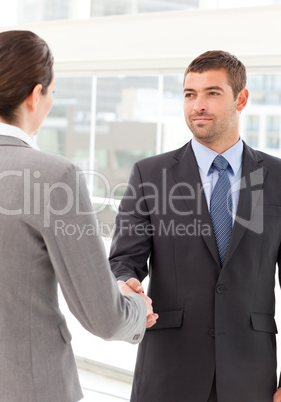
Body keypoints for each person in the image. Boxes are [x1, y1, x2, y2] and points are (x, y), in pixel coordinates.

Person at [0, 30, 155, 402]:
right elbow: (103, 317)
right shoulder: (53, 176)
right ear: (34, 95)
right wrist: (137, 307)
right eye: (52, 92)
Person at [109, 50, 281, 402]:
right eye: (190, 94)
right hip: (169, 371)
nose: (198, 105)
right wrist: (124, 283)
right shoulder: (150, 174)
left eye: (212, 93)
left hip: (251, 376)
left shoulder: (277, 177)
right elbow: (124, 259)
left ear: (242, 99)